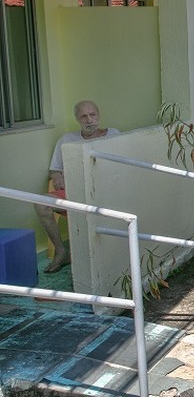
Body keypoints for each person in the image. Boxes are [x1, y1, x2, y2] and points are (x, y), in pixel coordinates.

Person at [35, 100, 119, 273]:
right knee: (41, 203)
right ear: (77, 119)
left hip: (106, 194)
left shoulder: (114, 135)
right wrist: (56, 175)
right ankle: (61, 251)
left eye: (92, 115)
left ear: (99, 116)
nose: (89, 120)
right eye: (84, 116)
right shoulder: (67, 139)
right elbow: (54, 169)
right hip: (73, 193)